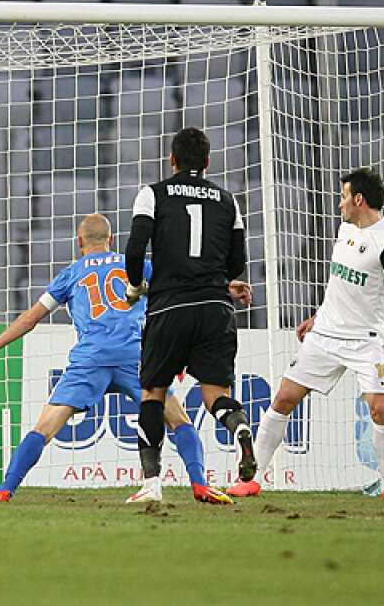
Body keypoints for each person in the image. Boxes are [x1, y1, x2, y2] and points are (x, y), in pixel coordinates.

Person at [0, 214, 233, 505]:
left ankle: (5, 490)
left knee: (44, 428)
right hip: (136, 357)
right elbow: (186, 288)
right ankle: (200, 485)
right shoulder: (139, 266)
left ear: (79, 242)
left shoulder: (71, 274)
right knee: (179, 422)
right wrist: (226, 288)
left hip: (91, 359)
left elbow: (30, 318)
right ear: (112, 241)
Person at [228, 169, 384, 502]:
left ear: (359, 199)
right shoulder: (345, 230)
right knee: (283, 399)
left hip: (367, 341)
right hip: (325, 334)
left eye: (344, 196)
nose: (340, 204)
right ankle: (252, 478)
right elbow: (340, 284)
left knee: (379, 408)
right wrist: (318, 316)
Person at [124, 127, 255, 502]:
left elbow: (135, 248)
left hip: (170, 307)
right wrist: (215, 281)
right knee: (216, 395)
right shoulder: (228, 200)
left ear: (172, 159)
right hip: (216, 309)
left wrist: (136, 285)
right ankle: (240, 427)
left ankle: (151, 484)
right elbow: (238, 263)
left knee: (153, 392)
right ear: (208, 162)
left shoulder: (153, 193)